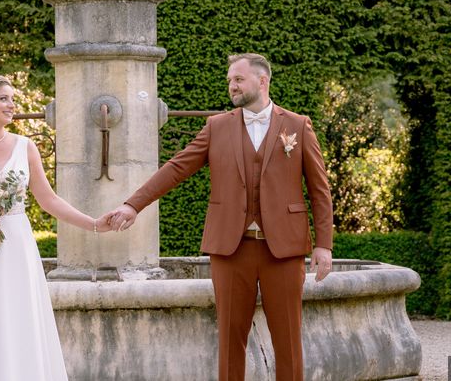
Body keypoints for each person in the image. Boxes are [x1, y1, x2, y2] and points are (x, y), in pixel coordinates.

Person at [105, 53, 334, 381]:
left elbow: (319, 190)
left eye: (238, 79)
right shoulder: (217, 127)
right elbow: (176, 167)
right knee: (230, 343)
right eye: (229, 81)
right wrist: (133, 205)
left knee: (289, 344)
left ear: (262, 81)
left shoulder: (296, 125)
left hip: (284, 251)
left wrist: (323, 245)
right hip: (231, 249)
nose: (232, 86)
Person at [0, 74, 112, 381]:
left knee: (17, 321)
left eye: (13, 99)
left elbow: (49, 200)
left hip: (15, 247)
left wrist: (93, 224)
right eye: (4, 99)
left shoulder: (25, 147)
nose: (12, 105)